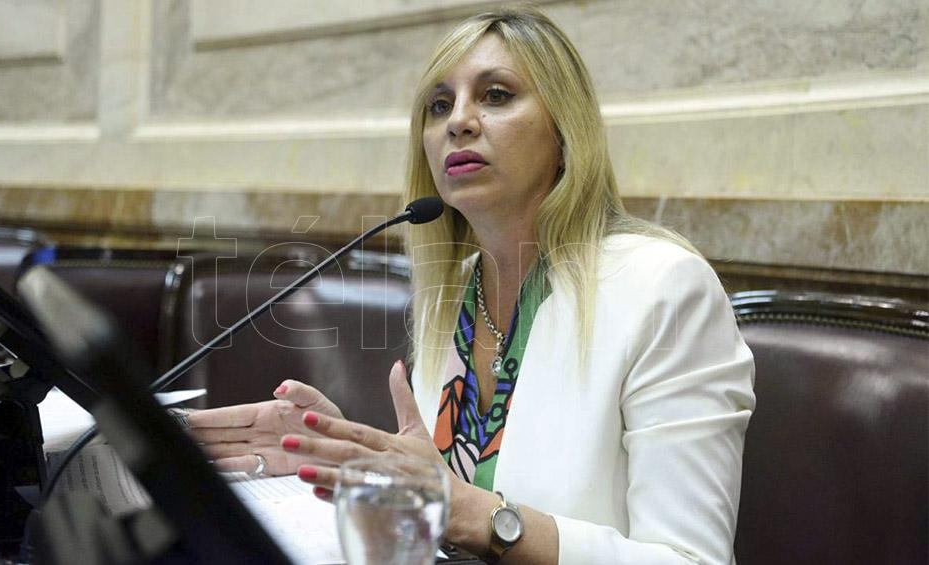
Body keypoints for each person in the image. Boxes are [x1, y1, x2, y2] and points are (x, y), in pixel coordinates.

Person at [187, 6, 755, 564]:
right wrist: (348, 458)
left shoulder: (664, 288)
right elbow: (449, 497)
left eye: (496, 95)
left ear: (564, 133)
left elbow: (691, 559)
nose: (458, 121)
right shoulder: (455, 289)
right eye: (439, 105)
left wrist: (478, 517)